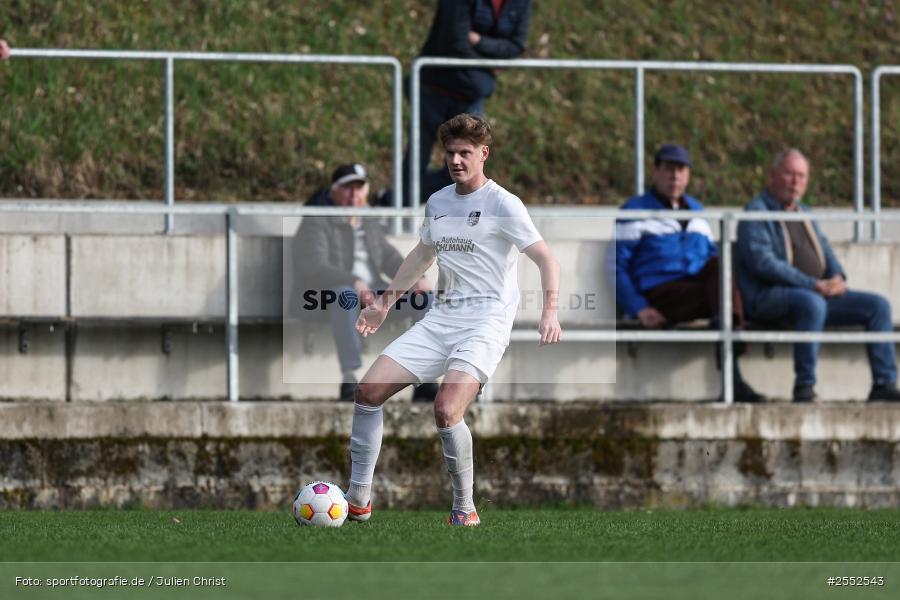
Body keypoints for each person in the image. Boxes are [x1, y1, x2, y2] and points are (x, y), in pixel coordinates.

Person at [346, 113, 561, 526]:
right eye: (450, 153)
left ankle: (464, 509)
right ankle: (358, 499)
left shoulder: (503, 204)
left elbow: (545, 258)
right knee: (367, 392)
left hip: (486, 323)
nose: (457, 160)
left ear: (484, 154)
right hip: (442, 318)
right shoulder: (439, 201)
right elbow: (422, 255)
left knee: (446, 410)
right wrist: (385, 303)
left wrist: (549, 308)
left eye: (465, 153)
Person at [736, 149, 900, 402]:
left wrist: (837, 278)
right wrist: (812, 285)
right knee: (811, 304)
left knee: (877, 306)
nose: (796, 182)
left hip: (816, 294)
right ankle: (805, 386)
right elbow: (763, 264)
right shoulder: (755, 213)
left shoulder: (806, 214)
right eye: (789, 174)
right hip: (769, 297)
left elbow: (826, 252)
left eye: (801, 176)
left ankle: (884, 383)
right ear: (772, 175)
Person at [611, 144, 764, 403]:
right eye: (669, 169)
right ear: (655, 171)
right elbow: (616, 266)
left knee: (720, 268)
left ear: (689, 175)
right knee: (727, 303)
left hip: (699, 290)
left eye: (681, 169)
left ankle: (728, 340)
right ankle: (733, 354)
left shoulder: (696, 210)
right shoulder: (634, 211)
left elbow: (710, 257)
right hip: (661, 291)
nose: (675, 176)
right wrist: (638, 308)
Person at [293, 163, 433, 402]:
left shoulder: (367, 221)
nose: (354, 195)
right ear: (333, 191)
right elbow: (313, 267)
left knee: (425, 299)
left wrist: (417, 278)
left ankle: (423, 378)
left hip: (373, 292)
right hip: (326, 297)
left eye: (359, 188)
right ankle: (350, 378)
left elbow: (388, 257)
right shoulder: (317, 219)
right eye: (347, 188)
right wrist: (354, 281)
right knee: (344, 295)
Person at [406, 0, 532, 205]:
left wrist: (479, 40)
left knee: (464, 167)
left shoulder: (521, 3)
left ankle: (406, 199)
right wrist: (488, 65)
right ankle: (401, 207)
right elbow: (454, 40)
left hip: (469, 94)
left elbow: (516, 46)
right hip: (433, 88)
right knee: (416, 162)